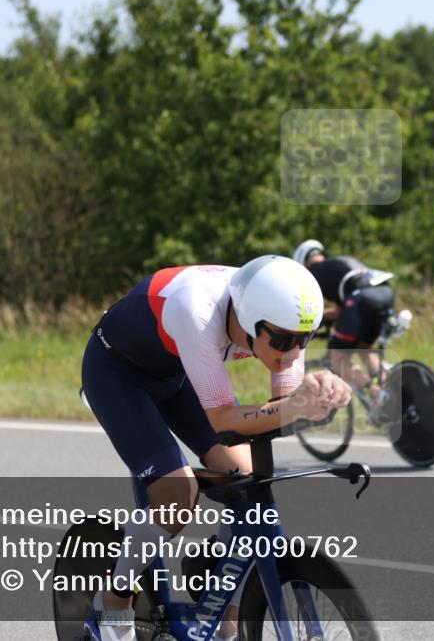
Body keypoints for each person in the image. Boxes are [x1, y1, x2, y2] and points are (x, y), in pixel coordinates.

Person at [80, 255, 352, 641]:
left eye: (304, 340)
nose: (293, 353)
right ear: (248, 320)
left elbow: (282, 410)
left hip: (177, 374)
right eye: (282, 341)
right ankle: (115, 600)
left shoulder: (282, 319)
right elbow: (222, 420)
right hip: (117, 375)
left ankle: (224, 605)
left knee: (245, 478)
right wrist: (294, 407)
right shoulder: (198, 310)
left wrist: (320, 399)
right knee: (176, 492)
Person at [291, 240, 396, 402]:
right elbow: (341, 310)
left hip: (361, 300)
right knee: (363, 346)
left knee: (337, 359)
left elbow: (310, 309)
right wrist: (327, 316)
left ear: (303, 263)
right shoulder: (340, 263)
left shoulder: (313, 273)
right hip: (385, 293)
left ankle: (376, 394)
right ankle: (388, 384)